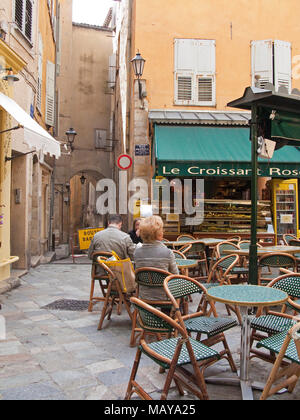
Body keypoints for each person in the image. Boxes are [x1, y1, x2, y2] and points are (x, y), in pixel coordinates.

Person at [134, 215, 179, 301]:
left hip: (144, 296)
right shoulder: (168, 253)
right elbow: (175, 276)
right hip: (165, 296)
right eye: (162, 229)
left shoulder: (137, 252)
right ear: (159, 233)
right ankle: (171, 312)